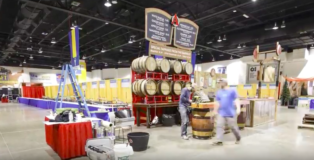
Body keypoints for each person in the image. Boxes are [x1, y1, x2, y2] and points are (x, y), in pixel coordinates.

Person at [213, 80, 241, 145]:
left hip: (230, 112)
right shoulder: (219, 92)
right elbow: (217, 102)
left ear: (225, 83)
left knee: (232, 127)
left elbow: (236, 99)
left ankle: (238, 137)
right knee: (219, 125)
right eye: (219, 82)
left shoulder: (232, 91)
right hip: (221, 113)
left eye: (221, 82)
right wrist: (215, 110)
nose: (220, 84)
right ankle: (219, 140)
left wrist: (238, 108)